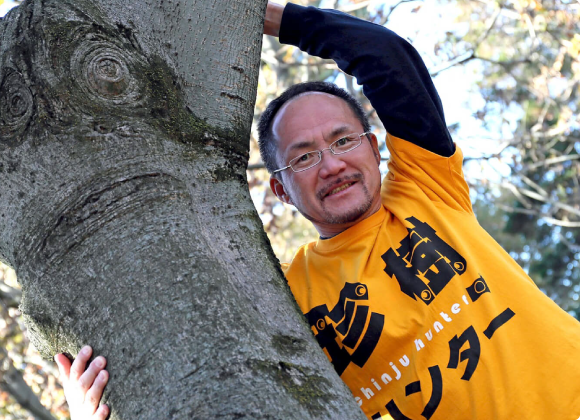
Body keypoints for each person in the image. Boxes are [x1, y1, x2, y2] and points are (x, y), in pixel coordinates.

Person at [55, 2, 580, 419]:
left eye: (343, 140)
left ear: (374, 149)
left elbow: (387, 59)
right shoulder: (285, 298)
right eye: (304, 156)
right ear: (281, 190)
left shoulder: (427, 189)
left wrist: (261, 14)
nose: (330, 165)